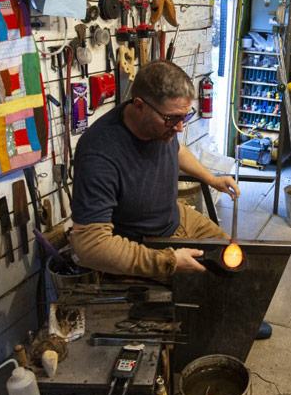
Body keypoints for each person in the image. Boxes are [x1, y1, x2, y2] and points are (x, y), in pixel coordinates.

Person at [70, 60, 240, 280]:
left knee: (235, 265)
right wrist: (168, 261)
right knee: (205, 291)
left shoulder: (161, 126)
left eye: (184, 117)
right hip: (148, 245)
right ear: (139, 105)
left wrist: (211, 179)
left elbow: (176, 150)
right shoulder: (100, 153)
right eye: (172, 119)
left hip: (178, 217)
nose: (180, 127)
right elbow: (89, 246)